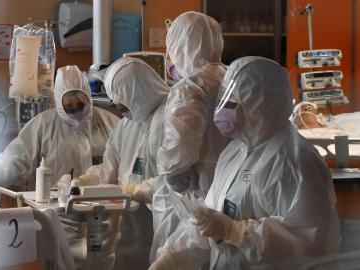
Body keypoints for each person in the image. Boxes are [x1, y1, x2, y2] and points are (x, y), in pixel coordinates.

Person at [150, 56, 341, 270]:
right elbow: (210, 221)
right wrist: (172, 259)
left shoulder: (292, 162)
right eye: (225, 99)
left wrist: (236, 232)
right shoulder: (234, 152)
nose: (222, 110)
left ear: (261, 103)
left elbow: (308, 240)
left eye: (232, 103)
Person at [0, 65, 120, 270]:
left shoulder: (110, 123)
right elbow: (16, 159)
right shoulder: (43, 125)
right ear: (58, 102)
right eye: (69, 105)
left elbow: (125, 161)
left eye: (80, 103)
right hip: (58, 222)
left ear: (88, 96)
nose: (75, 109)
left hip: (105, 221)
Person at [79, 57, 169, 270]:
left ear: (138, 92)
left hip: (160, 221)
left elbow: (174, 179)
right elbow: (110, 166)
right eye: (117, 104)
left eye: (123, 103)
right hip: (128, 226)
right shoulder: (127, 124)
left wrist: (138, 190)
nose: (120, 109)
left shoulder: (170, 118)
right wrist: (87, 180)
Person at [152, 11, 229, 261]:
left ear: (179, 45)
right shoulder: (232, 76)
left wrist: (172, 171)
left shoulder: (189, 88)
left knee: (193, 251)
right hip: (236, 182)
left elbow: (181, 143)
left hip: (201, 186)